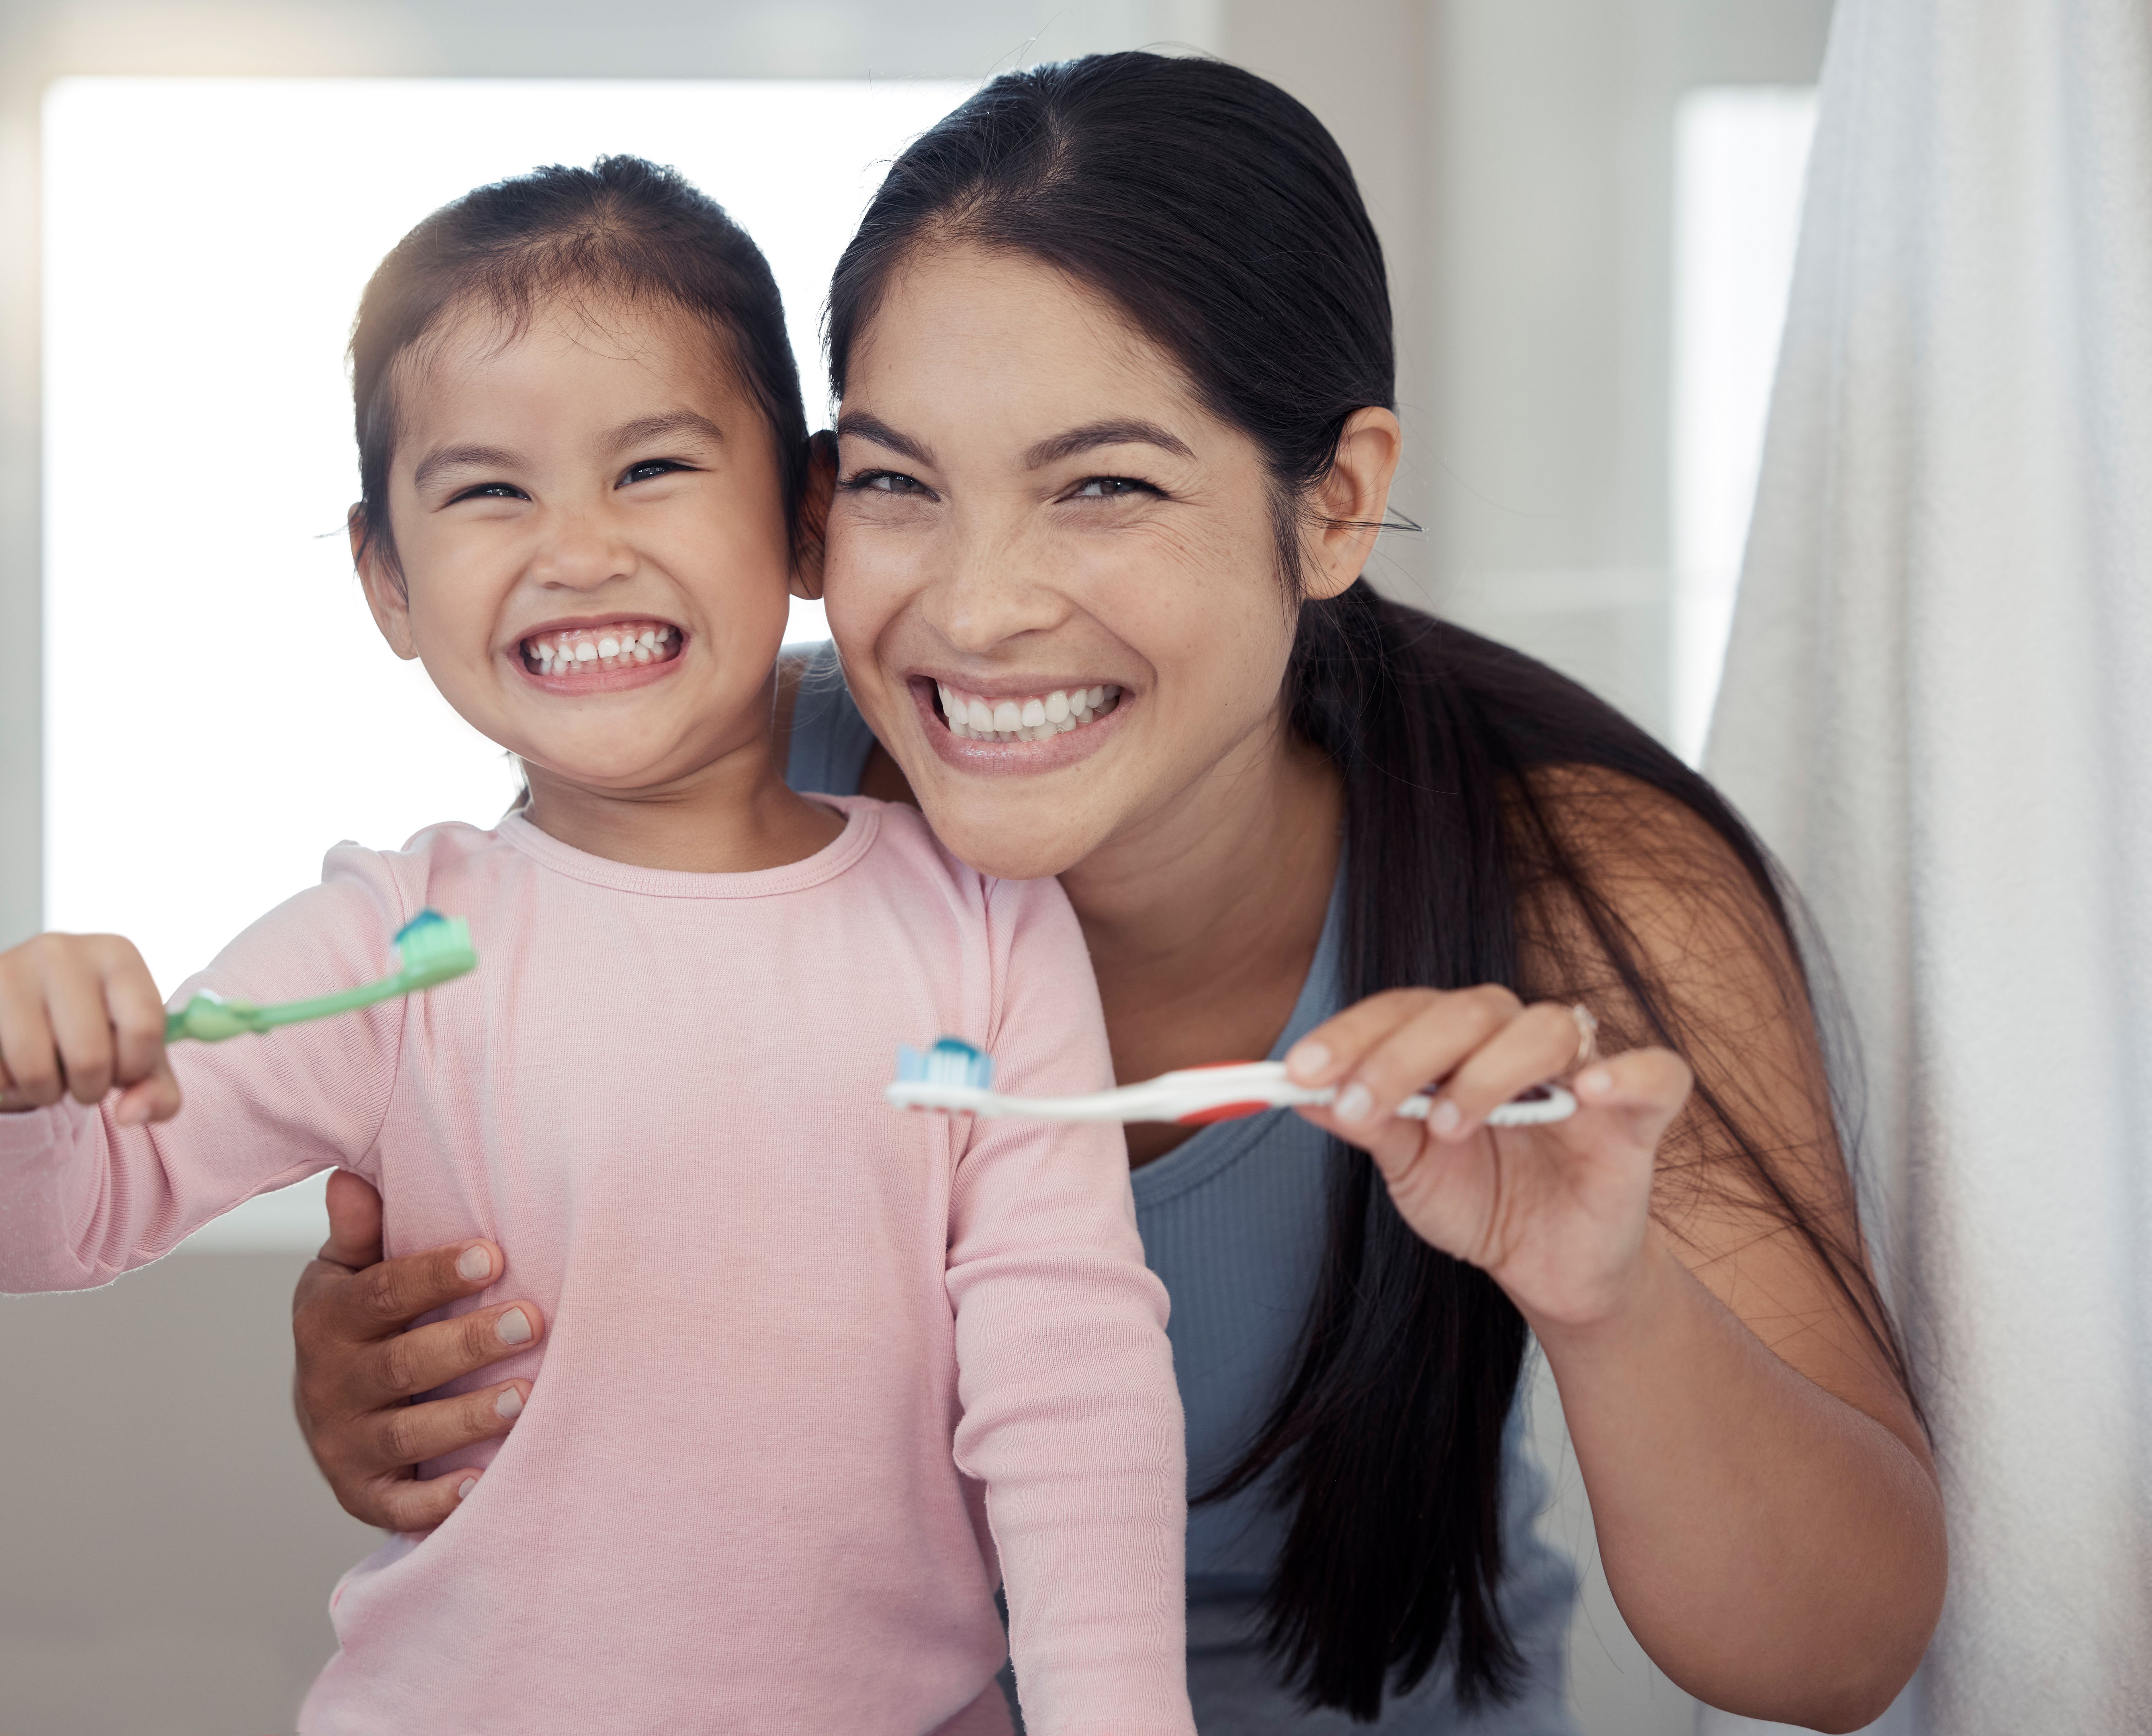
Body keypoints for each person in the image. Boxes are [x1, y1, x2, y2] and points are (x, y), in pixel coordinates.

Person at [291, 55, 1948, 1734]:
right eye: (898, 483)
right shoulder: (715, 799)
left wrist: (1609, 1299)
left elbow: (1835, 1659)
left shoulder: (1587, 889)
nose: (978, 610)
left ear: (1337, 502)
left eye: (1105, 486)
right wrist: (398, 1381)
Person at [0, 158, 1195, 1734]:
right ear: (387, 582)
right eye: (488, 492)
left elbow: (1067, 1370)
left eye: (651, 468)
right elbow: (47, 1228)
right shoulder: (389, 951)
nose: (578, 549)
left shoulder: (984, 923)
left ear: (805, 516)